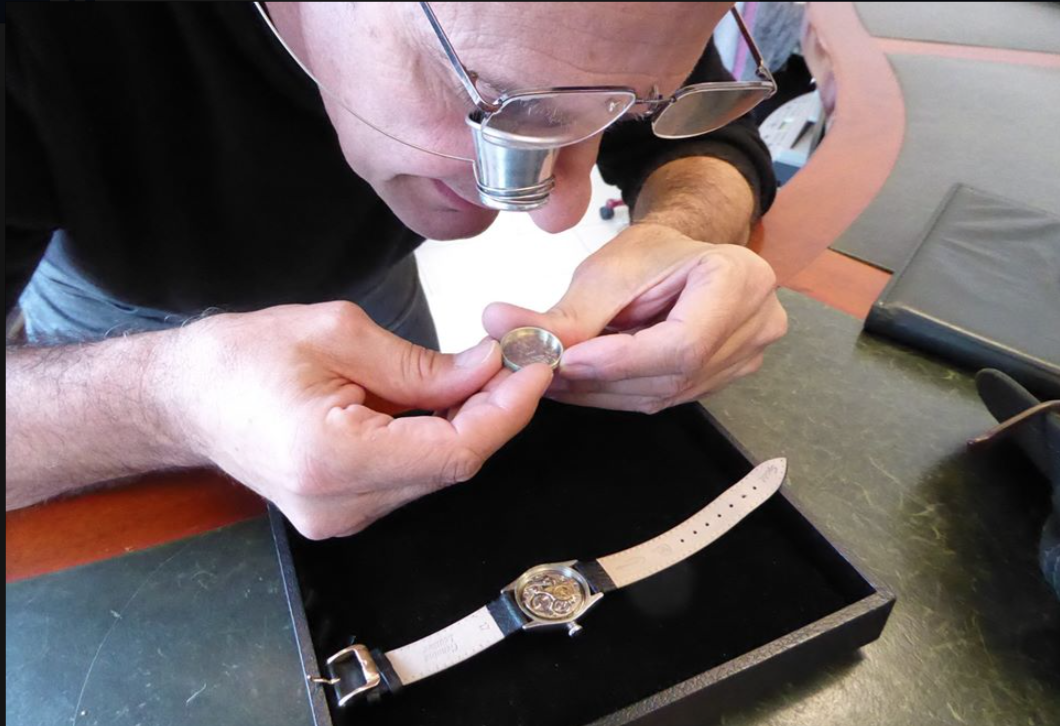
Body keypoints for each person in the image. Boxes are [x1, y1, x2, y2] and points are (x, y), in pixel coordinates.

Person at [5, 2, 788, 539]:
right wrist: (163, 401)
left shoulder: (602, 20)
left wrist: (685, 231)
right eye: (502, 104)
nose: (557, 210)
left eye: (627, 107)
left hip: (371, 287)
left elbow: (707, 148)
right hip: (111, 327)